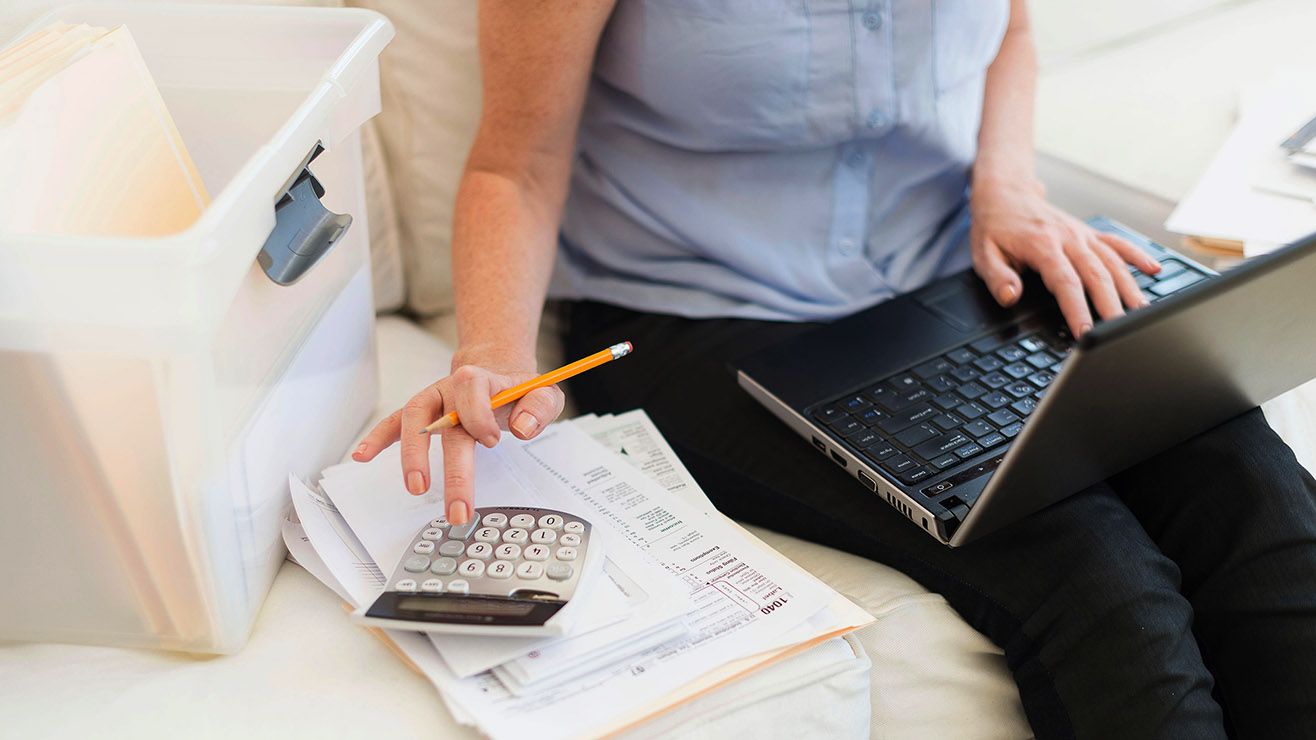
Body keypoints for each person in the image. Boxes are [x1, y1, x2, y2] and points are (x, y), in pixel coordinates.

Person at [354, 2, 1316, 736]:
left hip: (953, 261)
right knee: (1093, 575)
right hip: (702, 308)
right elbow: (514, 167)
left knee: (1261, 501)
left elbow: (1009, 24)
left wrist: (1009, 185)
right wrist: (491, 355)